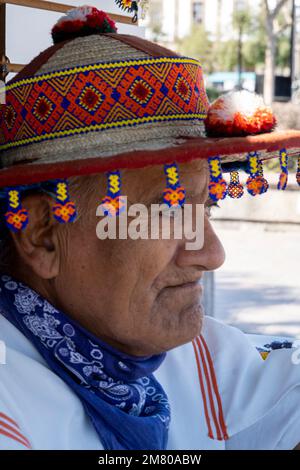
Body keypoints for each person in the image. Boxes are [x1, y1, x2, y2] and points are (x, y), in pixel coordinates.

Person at [0, 6, 300, 450]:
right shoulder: (13, 407)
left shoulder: (172, 347)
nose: (212, 254)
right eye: (167, 207)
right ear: (43, 235)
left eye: (207, 206)